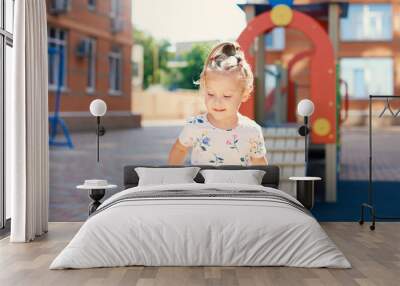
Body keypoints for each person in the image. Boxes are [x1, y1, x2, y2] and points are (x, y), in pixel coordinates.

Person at [168, 41, 268, 166]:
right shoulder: (195, 126)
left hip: (239, 186)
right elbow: (180, 149)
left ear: (244, 94)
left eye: (227, 96)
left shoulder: (252, 130)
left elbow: (260, 163)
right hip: (204, 186)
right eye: (210, 94)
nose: (217, 101)